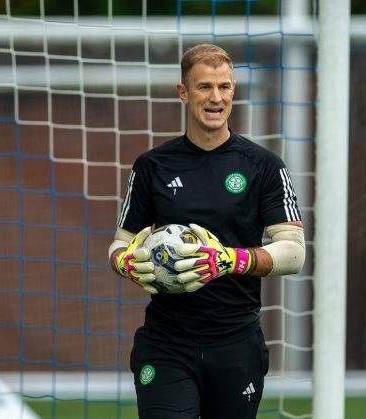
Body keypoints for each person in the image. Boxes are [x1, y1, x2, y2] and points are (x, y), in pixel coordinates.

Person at [108, 44, 306, 419]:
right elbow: (119, 245)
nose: (216, 98)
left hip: (236, 343)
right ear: (183, 92)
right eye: (204, 87)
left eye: (225, 87)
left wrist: (229, 260)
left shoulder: (264, 166)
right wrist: (127, 264)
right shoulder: (152, 166)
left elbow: (294, 252)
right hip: (167, 343)